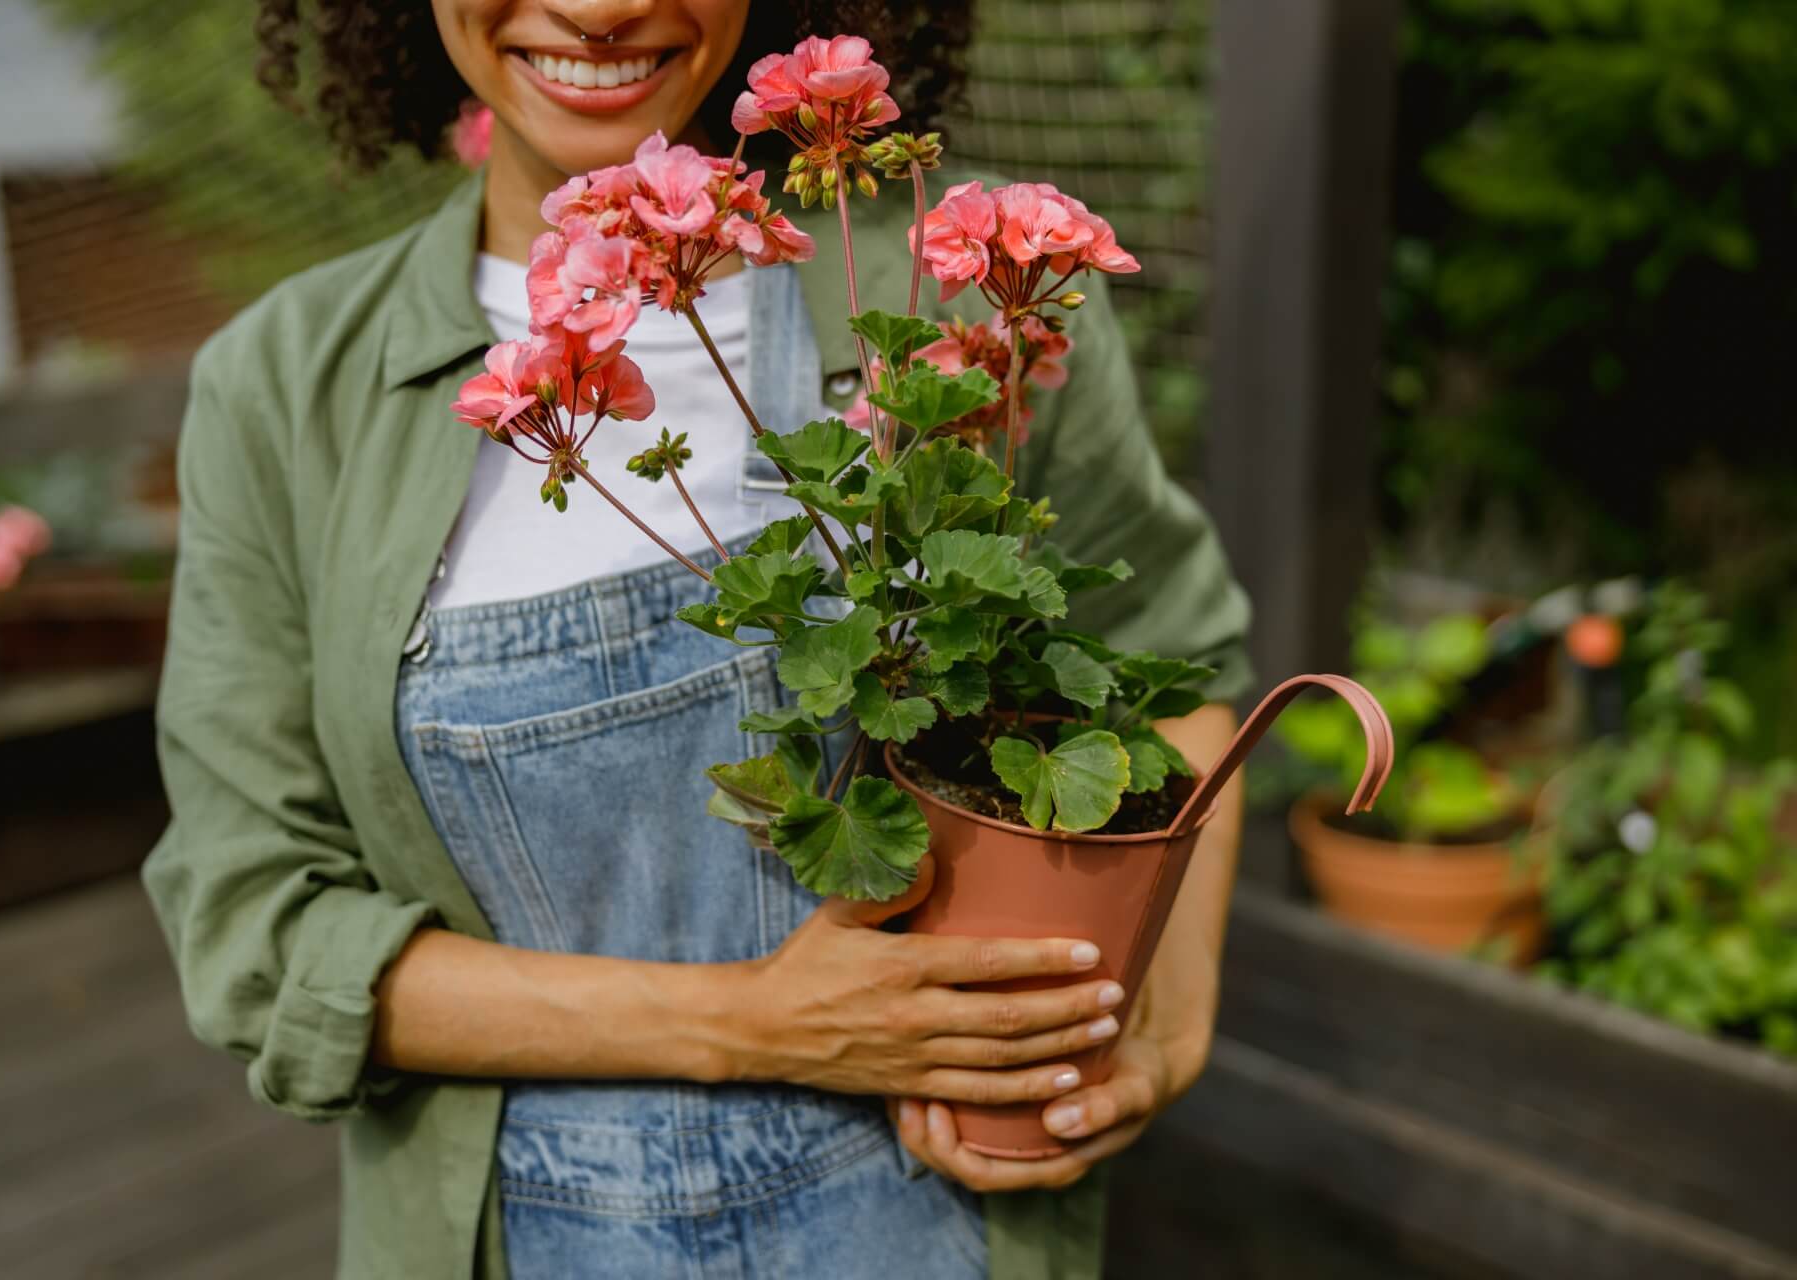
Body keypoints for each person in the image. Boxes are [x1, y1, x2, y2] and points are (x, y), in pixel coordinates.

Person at [144, 1, 1254, 1276]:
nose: (598, 6)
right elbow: (257, 928)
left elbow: (1175, 665)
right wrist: (757, 1021)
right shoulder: (282, 383)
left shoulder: (962, 292)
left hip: (938, 1220)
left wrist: (1169, 1017)